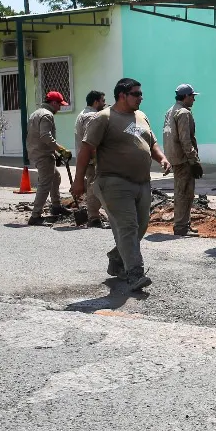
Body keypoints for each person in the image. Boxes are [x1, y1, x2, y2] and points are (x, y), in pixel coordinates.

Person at [72, 78, 171, 291]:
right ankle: (134, 273)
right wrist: (78, 181)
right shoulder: (104, 118)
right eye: (136, 94)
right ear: (122, 95)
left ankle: (117, 259)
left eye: (140, 94)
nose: (141, 97)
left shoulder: (141, 116)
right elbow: (86, 150)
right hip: (113, 182)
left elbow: (151, 143)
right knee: (127, 226)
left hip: (142, 182)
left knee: (141, 226)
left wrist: (162, 158)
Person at [26, 91, 73, 226]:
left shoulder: (36, 113)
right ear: (53, 103)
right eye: (59, 105)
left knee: (55, 177)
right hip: (42, 154)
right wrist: (61, 150)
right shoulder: (47, 115)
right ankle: (35, 216)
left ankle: (56, 206)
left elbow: (37, 136)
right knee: (45, 183)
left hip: (37, 151)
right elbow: (45, 136)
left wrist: (56, 153)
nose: (60, 108)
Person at [163, 84, 203, 237]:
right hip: (184, 159)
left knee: (181, 191)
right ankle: (181, 227)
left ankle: (183, 224)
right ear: (185, 96)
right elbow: (185, 140)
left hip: (174, 158)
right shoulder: (183, 113)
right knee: (184, 193)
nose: (194, 99)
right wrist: (194, 160)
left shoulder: (170, 111)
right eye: (192, 96)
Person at [74, 90, 107, 227]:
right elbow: (91, 140)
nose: (104, 103)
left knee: (92, 185)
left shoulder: (82, 114)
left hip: (86, 158)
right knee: (94, 186)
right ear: (96, 102)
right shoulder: (92, 116)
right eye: (103, 101)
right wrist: (95, 157)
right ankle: (94, 218)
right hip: (92, 159)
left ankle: (94, 214)